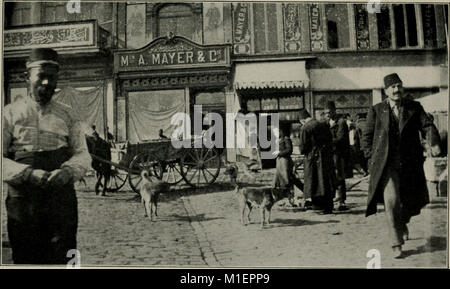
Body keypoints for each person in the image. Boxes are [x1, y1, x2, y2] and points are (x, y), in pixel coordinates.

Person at [2, 48, 91, 264]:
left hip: (60, 199)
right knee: (26, 257)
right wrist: (28, 174)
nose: (46, 83)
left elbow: (82, 154)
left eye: (51, 77)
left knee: (63, 256)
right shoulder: (9, 114)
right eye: (41, 76)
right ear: (27, 78)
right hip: (23, 201)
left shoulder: (68, 114)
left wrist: (68, 171)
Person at [361, 73, 441, 258]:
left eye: (399, 86)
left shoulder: (414, 107)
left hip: (410, 164)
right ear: (386, 91)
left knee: (413, 202)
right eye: (393, 87)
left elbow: (427, 126)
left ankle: (403, 221)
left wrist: (434, 141)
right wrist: (370, 159)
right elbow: (367, 137)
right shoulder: (377, 110)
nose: (397, 90)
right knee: (392, 201)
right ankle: (396, 242)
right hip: (387, 165)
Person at [299, 109, 336, 214]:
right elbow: (330, 141)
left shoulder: (305, 127)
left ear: (302, 120)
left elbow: (303, 148)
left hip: (313, 159)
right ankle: (329, 206)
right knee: (326, 182)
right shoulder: (323, 124)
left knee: (314, 182)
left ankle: (318, 207)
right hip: (326, 158)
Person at [323, 101, 352, 211]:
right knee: (331, 177)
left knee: (339, 177)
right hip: (330, 154)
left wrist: (327, 142)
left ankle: (342, 201)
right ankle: (332, 199)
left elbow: (341, 138)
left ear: (335, 110)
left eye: (329, 112)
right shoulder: (326, 123)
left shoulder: (341, 122)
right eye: (325, 113)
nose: (327, 115)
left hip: (339, 154)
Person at [272, 123, 304, 193]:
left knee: (288, 178)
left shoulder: (286, 139)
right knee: (280, 178)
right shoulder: (277, 140)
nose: (274, 133)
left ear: (280, 131)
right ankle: (283, 192)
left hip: (285, 161)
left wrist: (279, 153)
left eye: (275, 131)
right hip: (279, 161)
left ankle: (298, 191)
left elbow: (289, 150)